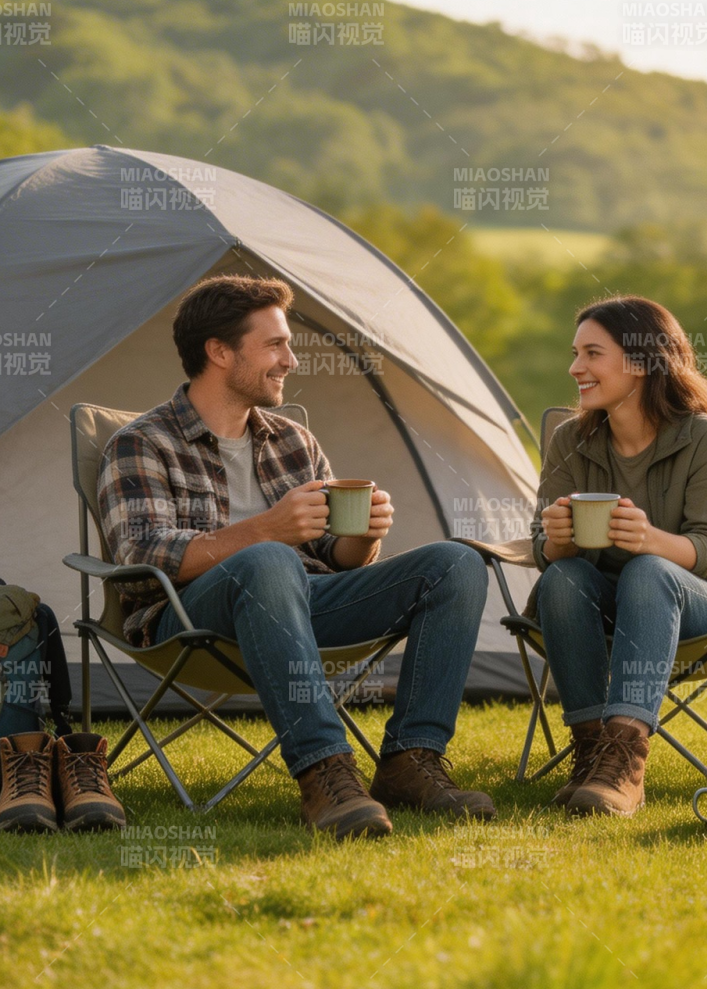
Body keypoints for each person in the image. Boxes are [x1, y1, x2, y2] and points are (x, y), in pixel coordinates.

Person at [97, 275, 495, 838]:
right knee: (269, 559)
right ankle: (325, 772)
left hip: (303, 604)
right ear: (219, 351)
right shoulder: (141, 443)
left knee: (456, 563)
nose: (291, 360)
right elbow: (140, 555)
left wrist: (364, 537)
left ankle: (412, 761)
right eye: (276, 345)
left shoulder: (292, 441)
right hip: (189, 615)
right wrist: (265, 531)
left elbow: (334, 556)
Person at [531, 296, 707, 817]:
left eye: (592, 353)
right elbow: (545, 552)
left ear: (642, 361)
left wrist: (650, 539)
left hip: (702, 604)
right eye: (575, 353)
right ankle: (591, 754)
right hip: (603, 601)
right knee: (562, 577)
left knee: (650, 570)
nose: (575, 368)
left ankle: (625, 757)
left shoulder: (703, 437)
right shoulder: (571, 439)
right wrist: (556, 539)